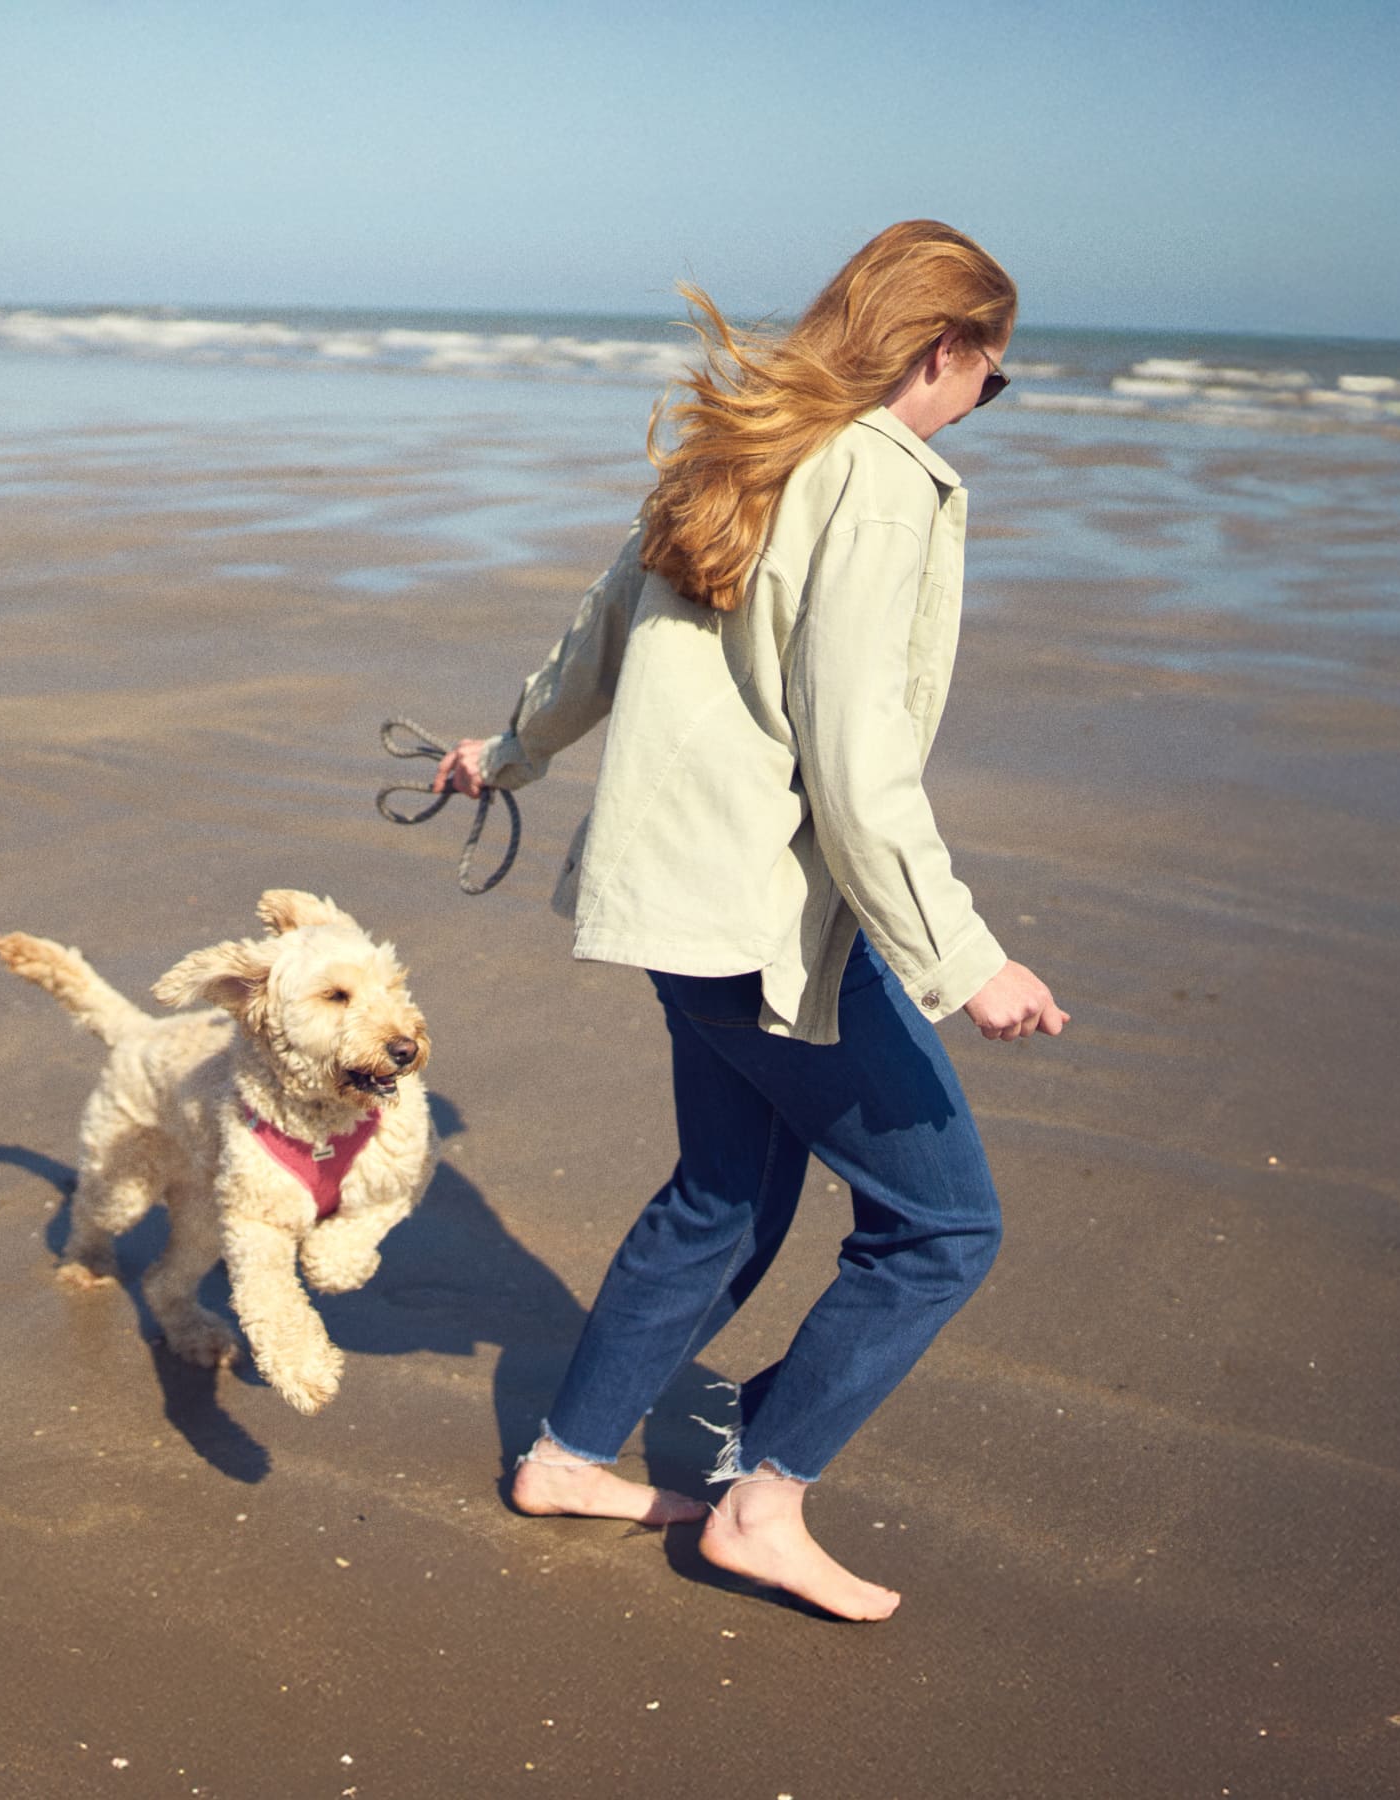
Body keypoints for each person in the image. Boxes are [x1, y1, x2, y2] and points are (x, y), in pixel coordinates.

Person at [432, 221, 1067, 1622]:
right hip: (767, 920)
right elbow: (856, 759)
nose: (982, 406)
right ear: (939, 349)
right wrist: (967, 961)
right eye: (990, 379)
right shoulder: (877, 478)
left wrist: (505, 754)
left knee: (724, 1199)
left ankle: (569, 1458)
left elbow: (595, 640)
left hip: (673, 911)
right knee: (942, 1228)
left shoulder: (731, 448)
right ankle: (762, 1501)